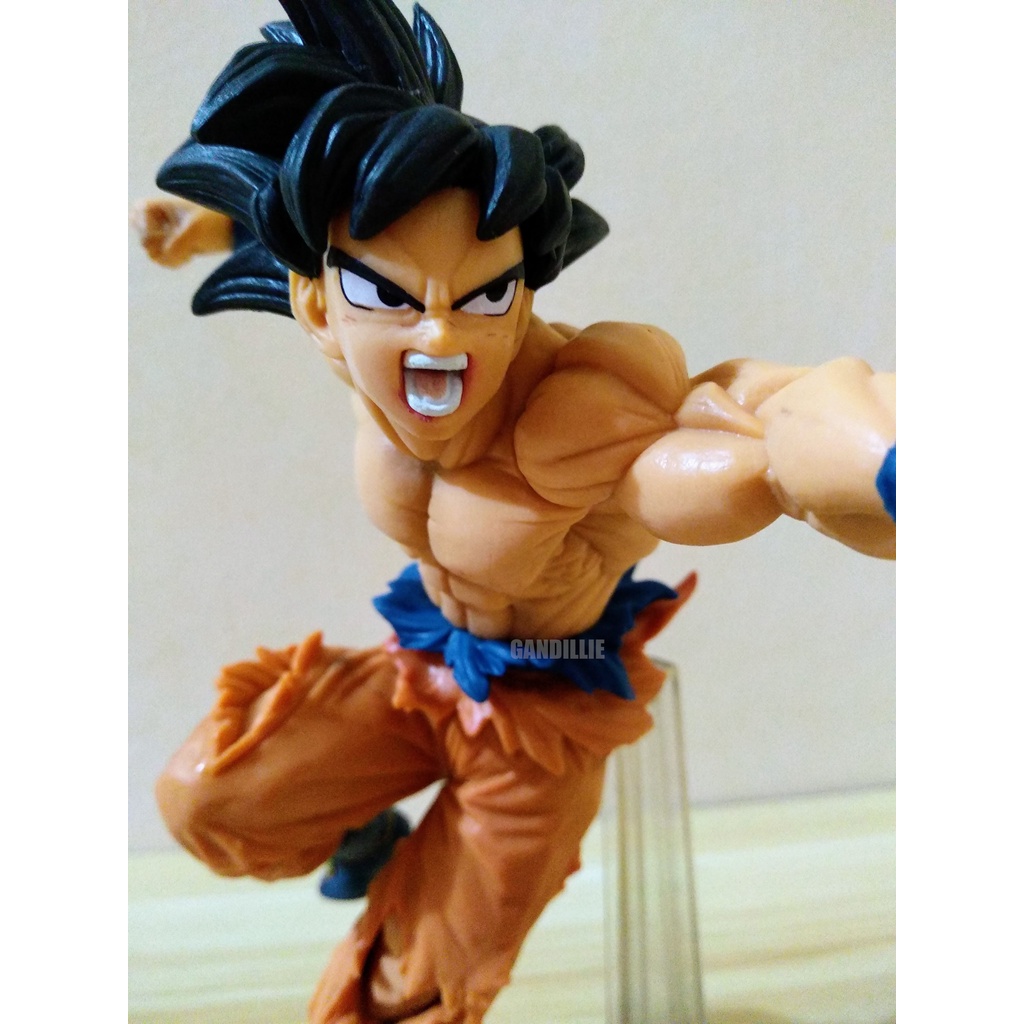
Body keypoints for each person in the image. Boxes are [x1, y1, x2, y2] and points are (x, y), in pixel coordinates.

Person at [137, 2, 895, 1021]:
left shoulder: (574, 408)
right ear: (318, 303)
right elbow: (326, 241)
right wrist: (215, 224)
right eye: (395, 299)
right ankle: (371, 836)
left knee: (400, 997)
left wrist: (853, 461)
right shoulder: (357, 336)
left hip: (543, 721)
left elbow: (718, 444)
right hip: (429, 665)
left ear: (523, 292)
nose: (443, 337)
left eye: (486, 298)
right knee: (210, 794)